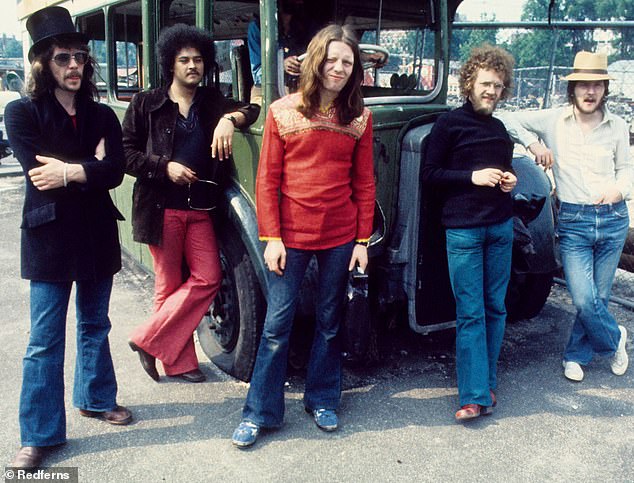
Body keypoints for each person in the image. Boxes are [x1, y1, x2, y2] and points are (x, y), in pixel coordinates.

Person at [231, 24, 375, 448]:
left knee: (330, 322)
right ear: (316, 61)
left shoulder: (360, 118)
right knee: (277, 324)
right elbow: (267, 180)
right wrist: (271, 236)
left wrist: (362, 242)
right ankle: (260, 412)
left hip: (340, 236)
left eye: (347, 62)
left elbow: (364, 184)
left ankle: (323, 399)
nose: (338, 68)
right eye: (331, 59)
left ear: (355, 69)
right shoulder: (281, 111)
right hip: (289, 236)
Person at [5, 6, 132, 469]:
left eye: (80, 56)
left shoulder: (102, 117)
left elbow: (115, 171)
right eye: (62, 58)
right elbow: (39, 173)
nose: (74, 65)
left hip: (97, 233)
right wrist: (88, 168)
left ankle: (96, 398)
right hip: (50, 239)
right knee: (43, 339)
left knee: (95, 325)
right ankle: (38, 434)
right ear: (43, 63)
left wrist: (71, 170)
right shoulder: (20, 113)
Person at [122, 24, 259, 383]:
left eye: (198, 59)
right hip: (160, 207)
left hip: (200, 209)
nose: (192, 66)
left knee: (208, 278)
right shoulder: (146, 103)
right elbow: (125, 155)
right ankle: (179, 363)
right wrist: (163, 166)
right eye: (184, 60)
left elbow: (254, 108)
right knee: (168, 285)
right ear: (171, 64)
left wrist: (230, 119)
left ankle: (147, 340)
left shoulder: (213, 102)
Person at [501, 51, 632, 382]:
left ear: (605, 89)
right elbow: (506, 117)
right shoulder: (554, 120)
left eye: (597, 85)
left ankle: (575, 354)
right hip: (574, 222)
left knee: (598, 297)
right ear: (572, 89)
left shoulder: (617, 126)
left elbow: (627, 167)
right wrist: (533, 144)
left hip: (613, 218)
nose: (590, 92)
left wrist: (619, 190)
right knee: (584, 298)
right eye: (583, 85)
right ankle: (616, 337)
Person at [421, 44, 517, 422]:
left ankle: (486, 383)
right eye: (486, 84)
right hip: (463, 231)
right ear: (469, 83)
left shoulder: (499, 129)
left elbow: (504, 172)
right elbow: (429, 175)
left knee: (496, 308)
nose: (492, 91)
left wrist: (508, 181)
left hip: (500, 226)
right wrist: (471, 177)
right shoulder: (449, 124)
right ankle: (473, 395)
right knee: (471, 313)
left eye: (498, 86)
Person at [247, 0, 316, 102]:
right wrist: (281, 66)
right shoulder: (258, 27)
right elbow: (258, 74)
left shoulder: (308, 26)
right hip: (268, 91)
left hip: (303, 88)